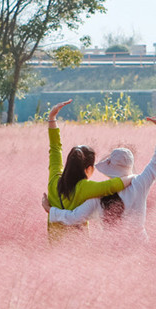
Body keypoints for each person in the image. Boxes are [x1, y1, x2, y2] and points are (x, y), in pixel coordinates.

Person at [42, 116, 156, 240]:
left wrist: (51, 211)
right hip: (139, 244)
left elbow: (74, 217)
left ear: (109, 168)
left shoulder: (99, 195)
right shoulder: (140, 183)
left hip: (111, 250)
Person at [46, 99, 134, 240]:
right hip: (79, 245)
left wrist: (52, 118)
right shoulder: (85, 187)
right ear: (88, 168)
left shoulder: (54, 179)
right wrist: (134, 177)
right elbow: (112, 185)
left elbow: (55, 149)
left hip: (54, 244)